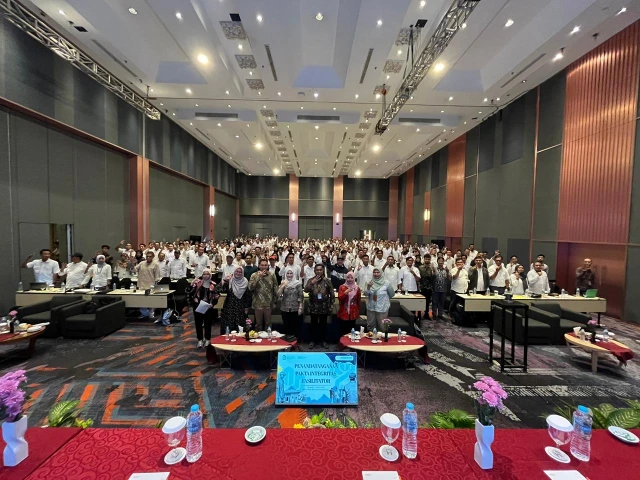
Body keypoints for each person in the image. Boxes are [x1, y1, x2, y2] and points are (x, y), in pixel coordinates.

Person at [304, 264, 335, 350]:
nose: (319, 271)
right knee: (313, 325)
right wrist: (312, 283)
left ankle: (323, 340)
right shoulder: (311, 280)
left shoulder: (327, 281)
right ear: (314, 271)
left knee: (323, 325)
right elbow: (306, 290)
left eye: (320, 270)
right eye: (317, 270)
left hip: (324, 307)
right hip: (313, 307)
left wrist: (331, 305)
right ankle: (313, 340)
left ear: (323, 271)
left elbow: (332, 294)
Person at [215, 266, 252, 334]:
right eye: (237, 271)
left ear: (242, 273)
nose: (238, 273)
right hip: (228, 309)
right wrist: (224, 280)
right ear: (234, 272)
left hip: (240, 309)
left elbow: (248, 296)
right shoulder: (229, 281)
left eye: (240, 272)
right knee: (228, 329)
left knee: (239, 329)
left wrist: (246, 308)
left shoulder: (245, 282)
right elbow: (217, 290)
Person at [188, 269, 219, 348]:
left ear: (210, 275)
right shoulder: (198, 283)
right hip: (198, 306)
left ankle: (207, 339)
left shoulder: (213, 284)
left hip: (208, 307)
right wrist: (192, 284)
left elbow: (216, 296)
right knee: (198, 323)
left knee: (207, 323)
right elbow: (190, 293)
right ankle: (200, 339)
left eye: (207, 274)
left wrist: (212, 304)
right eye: (204, 274)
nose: (205, 276)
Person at [248, 259, 279, 331]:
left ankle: (268, 336)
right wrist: (259, 277)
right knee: (258, 324)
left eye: (265, 265)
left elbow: (275, 289)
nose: (264, 267)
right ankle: (258, 337)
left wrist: (275, 301)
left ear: (267, 266)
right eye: (262, 265)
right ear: (259, 266)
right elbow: (250, 288)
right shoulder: (254, 275)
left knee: (268, 323)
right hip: (257, 303)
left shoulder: (272, 275)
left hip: (269, 303)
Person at [364, 267, 396, 332]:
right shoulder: (369, 282)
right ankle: (371, 338)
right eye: (374, 272)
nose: (376, 274)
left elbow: (392, 294)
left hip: (382, 308)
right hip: (371, 308)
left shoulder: (387, 283)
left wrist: (384, 299)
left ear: (381, 273)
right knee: (370, 326)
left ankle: (382, 338)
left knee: (382, 326)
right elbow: (366, 294)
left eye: (378, 272)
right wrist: (368, 287)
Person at [133, 251, 161, 319]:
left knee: (151, 300)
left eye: (150, 256)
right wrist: (132, 264)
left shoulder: (155, 264)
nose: (148, 257)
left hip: (150, 285)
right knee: (141, 300)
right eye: (147, 256)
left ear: (153, 257)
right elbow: (134, 270)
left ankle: (151, 313)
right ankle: (144, 313)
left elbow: (157, 277)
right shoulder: (142, 263)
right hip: (141, 284)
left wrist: (154, 286)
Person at [278, 269, 304, 337]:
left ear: (294, 274)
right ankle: (287, 341)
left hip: (295, 308)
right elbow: (278, 295)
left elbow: (301, 296)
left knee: (295, 327)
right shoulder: (283, 282)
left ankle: (295, 341)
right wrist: (282, 286)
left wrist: (300, 307)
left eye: (291, 273)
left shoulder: (298, 283)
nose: (289, 275)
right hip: (285, 308)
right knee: (286, 326)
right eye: (288, 273)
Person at [337, 272, 361, 337]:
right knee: (343, 330)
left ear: (354, 278)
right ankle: (342, 342)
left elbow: (358, 300)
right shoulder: (342, 287)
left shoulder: (357, 288)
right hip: (344, 312)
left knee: (352, 330)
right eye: (348, 277)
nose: (349, 279)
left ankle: (351, 342)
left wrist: (357, 311)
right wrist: (345, 293)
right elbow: (340, 298)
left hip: (353, 312)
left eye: (351, 278)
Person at [417, 254, 434, 320]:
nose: (427, 260)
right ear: (424, 259)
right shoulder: (420, 267)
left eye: (428, 259)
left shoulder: (431, 267)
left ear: (430, 260)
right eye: (426, 259)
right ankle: (419, 314)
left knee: (428, 301)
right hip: (422, 286)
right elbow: (419, 277)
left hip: (429, 287)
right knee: (420, 301)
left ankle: (426, 314)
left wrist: (432, 270)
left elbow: (433, 277)